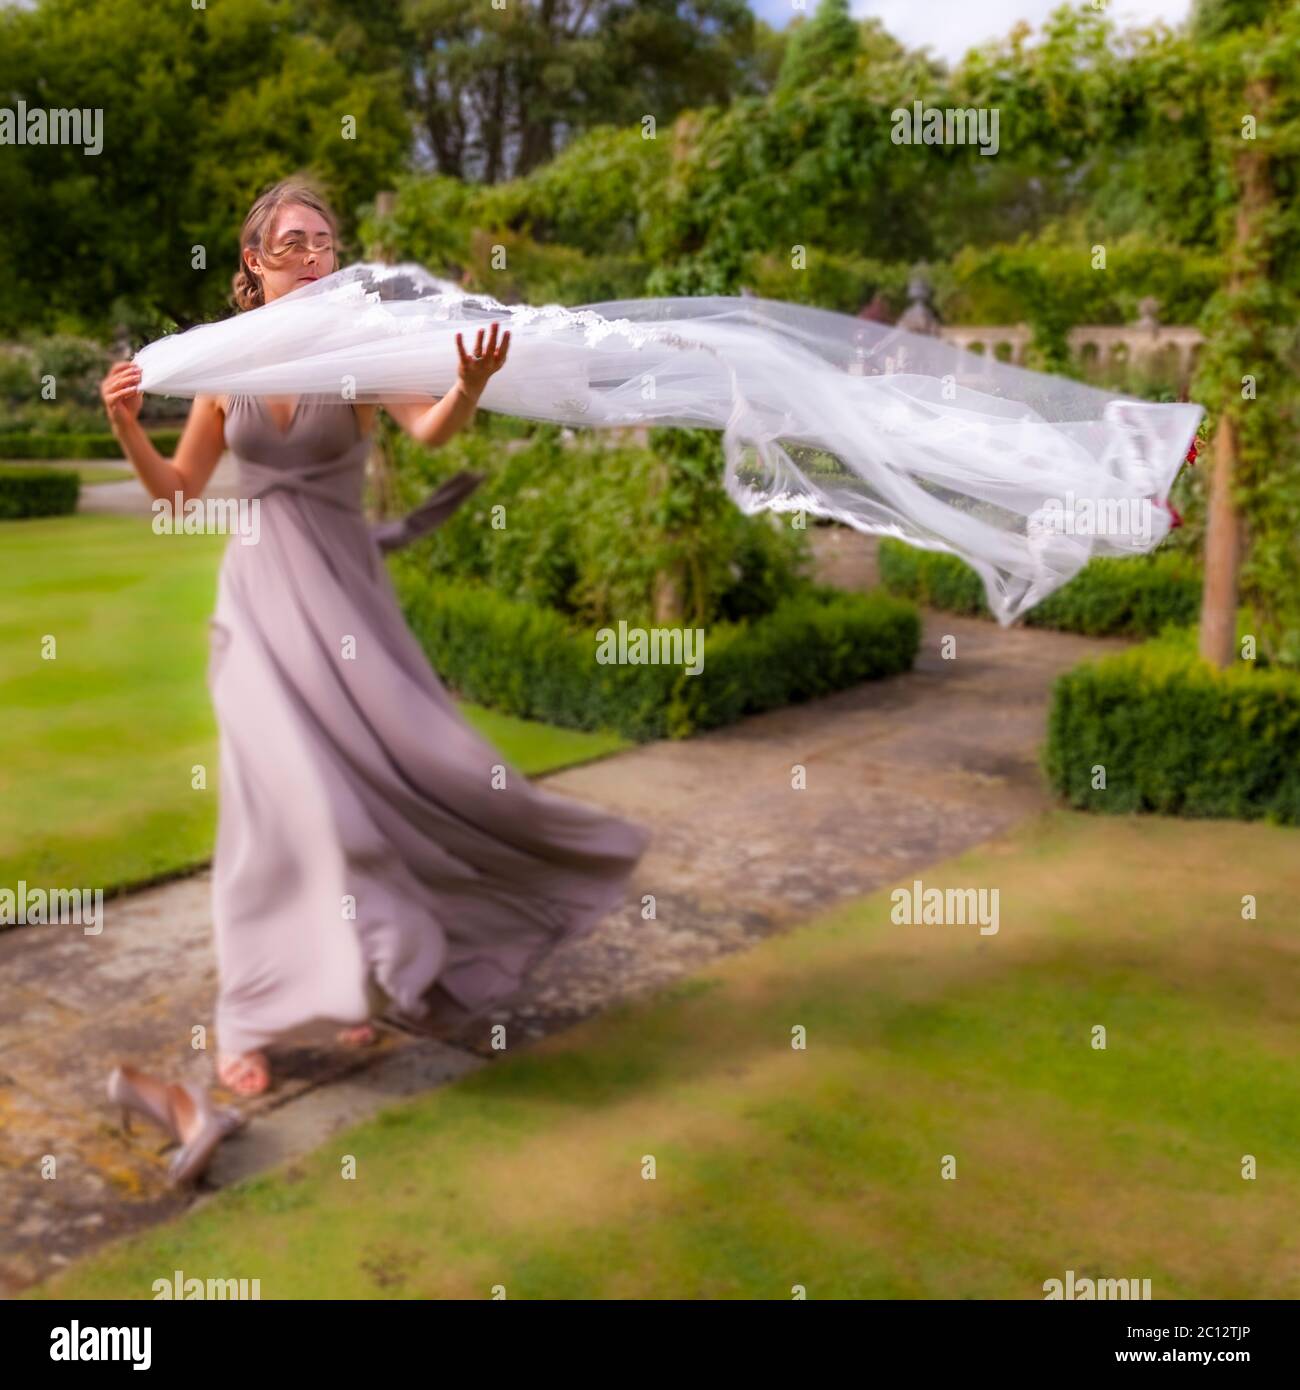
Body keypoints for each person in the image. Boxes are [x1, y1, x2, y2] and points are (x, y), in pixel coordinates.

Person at [100, 178, 651, 1098]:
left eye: (323, 241)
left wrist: (468, 384)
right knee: (274, 806)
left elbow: (430, 431)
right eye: (293, 242)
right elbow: (179, 491)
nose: (313, 255)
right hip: (257, 603)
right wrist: (126, 425)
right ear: (254, 262)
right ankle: (253, 1013)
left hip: (345, 601)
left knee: (391, 787)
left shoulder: (360, 352)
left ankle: (354, 974)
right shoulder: (227, 367)